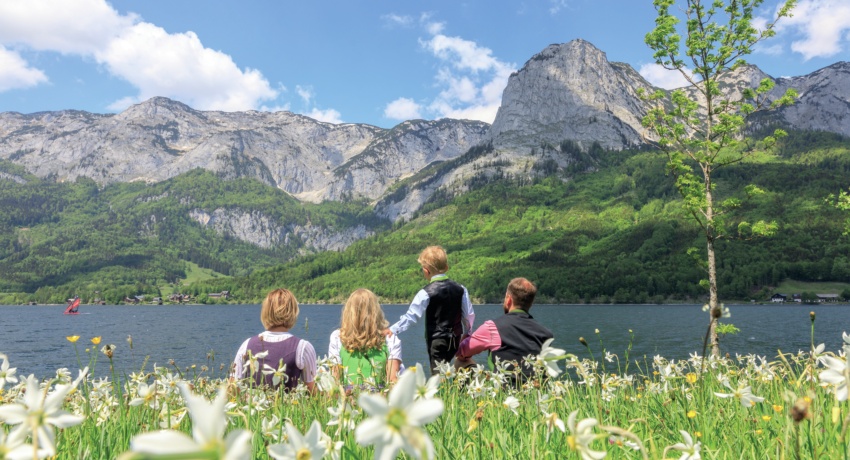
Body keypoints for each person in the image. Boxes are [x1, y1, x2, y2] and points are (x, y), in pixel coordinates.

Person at [389, 245, 475, 374]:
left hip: (437, 340)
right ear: (446, 267)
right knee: (451, 368)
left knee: (437, 376)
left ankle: (443, 393)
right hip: (455, 338)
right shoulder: (461, 289)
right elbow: (468, 315)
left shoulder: (425, 293)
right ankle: (457, 389)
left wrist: (392, 330)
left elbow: (411, 317)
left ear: (426, 271)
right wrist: (467, 334)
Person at [455, 277, 553, 384]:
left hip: (504, 392)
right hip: (536, 392)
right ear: (530, 303)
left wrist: (464, 340)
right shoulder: (546, 334)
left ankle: (460, 398)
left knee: (460, 362)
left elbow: (461, 352)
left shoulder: (492, 327)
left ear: (509, 300)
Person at [232, 288, 318, 392]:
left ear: (265, 312)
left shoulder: (247, 344)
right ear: (293, 312)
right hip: (287, 407)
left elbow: (233, 387)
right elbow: (313, 391)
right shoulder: (303, 347)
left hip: (252, 406)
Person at [328, 288, 402, 386]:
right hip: (379, 399)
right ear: (376, 311)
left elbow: (335, 379)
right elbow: (392, 381)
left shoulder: (337, 337)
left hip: (347, 398)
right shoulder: (390, 339)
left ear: (349, 312)